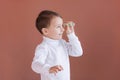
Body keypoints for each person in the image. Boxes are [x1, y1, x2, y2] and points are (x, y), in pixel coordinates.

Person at [31, 10, 83, 80]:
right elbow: (35, 65)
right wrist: (48, 68)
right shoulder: (43, 47)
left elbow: (78, 52)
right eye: (58, 27)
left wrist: (71, 35)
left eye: (62, 26)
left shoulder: (62, 43)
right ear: (45, 31)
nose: (62, 29)